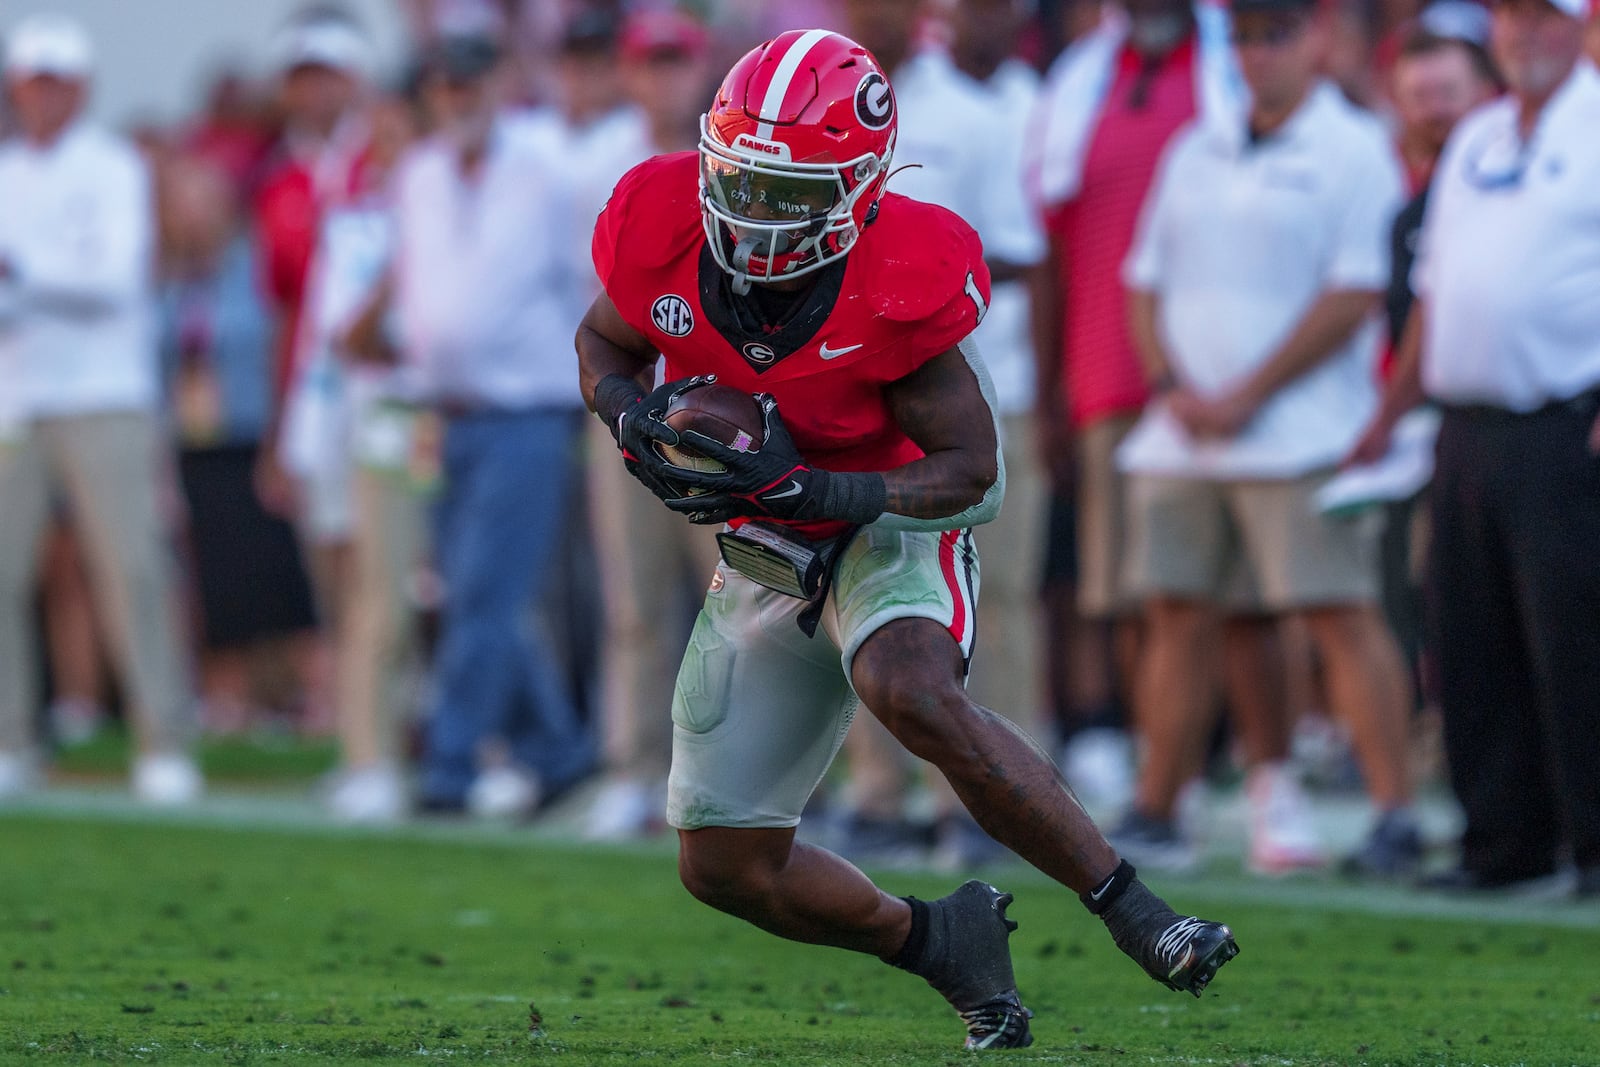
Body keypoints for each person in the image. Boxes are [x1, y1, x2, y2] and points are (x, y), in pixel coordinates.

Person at [576, 29, 1238, 1049]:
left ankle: (1134, 907)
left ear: (858, 191)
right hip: (765, 546)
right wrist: (627, 411)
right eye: (740, 181)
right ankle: (939, 942)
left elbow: (972, 470)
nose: (751, 214)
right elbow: (604, 339)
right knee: (722, 865)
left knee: (908, 685)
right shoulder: (656, 218)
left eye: (785, 195)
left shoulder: (900, 270)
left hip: (883, 516)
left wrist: (820, 483)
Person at [1117, 0, 1421, 876]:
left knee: (1336, 611)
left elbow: (1357, 290)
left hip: (1299, 430)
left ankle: (1395, 809)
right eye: (1245, 36)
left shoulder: (1354, 147)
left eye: (1276, 33)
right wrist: (1176, 387)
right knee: (1177, 611)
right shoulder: (1195, 147)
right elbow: (1144, 281)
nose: (1257, 53)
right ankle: (1157, 803)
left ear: (1317, 40)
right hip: (1182, 435)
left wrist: (1248, 391)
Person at [1353, 0, 1600, 898]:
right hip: (1464, 425)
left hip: (1568, 419)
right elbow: (1434, 288)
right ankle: (1504, 843)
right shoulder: (1479, 136)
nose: (1524, 35)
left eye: (1543, 20)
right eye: (1511, 19)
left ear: (1579, 29)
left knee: (1576, 638)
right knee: (1468, 638)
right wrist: (1387, 412)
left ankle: (1592, 846)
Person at [832, 0, 1050, 869]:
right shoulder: (812, 107)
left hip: (976, 381)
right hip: (855, 391)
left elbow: (1024, 253)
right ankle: (878, 796)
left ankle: (1000, 803)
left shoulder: (971, 116)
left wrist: (912, 281)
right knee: (862, 591)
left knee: (994, 604)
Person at [1026, 0, 1248, 820]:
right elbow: (1050, 245)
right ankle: (1140, 751)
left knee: (1238, 594)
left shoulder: (1235, 69)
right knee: (1122, 588)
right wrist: (1054, 380)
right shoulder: (1079, 85)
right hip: (1108, 372)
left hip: (1228, 375)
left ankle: (1235, 761)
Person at [0, 13, 200, 804]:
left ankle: (165, 739)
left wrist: (23, 273)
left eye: (55, 83)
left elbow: (118, 276)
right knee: (4, 576)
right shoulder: (7, 170)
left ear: (79, 88)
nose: (41, 96)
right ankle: (11, 738)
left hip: (105, 394)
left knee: (133, 566)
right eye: (30, 82)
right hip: (17, 398)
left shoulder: (113, 165)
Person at [396, 33, 595, 817]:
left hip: (525, 412)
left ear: (501, 82)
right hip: (439, 413)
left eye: (470, 82)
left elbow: (587, 282)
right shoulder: (418, 173)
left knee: (481, 590)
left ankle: (449, 764)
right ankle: (557, 750)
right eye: (444, 85)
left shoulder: (546, 170)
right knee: (476, 592)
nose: (456, 97)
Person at [577, 6, 723, 841]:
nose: (663, 75)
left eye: (676, 60)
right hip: (634, 398)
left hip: (719, 407)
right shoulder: (595, 158)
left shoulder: (732, 153)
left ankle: (736, 770)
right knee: (632, 600)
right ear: (629, 71)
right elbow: (590, 297)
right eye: (650, 61)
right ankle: (631, 768)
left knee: (738, 596)